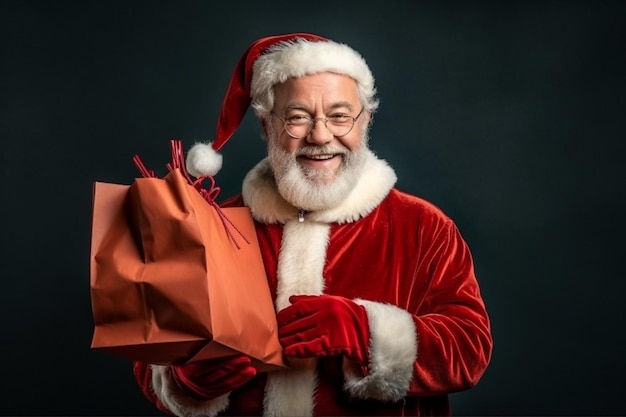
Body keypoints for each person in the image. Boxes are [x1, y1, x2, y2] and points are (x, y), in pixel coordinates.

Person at [132, 32, 493, 416]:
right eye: (297, 117)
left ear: (365, 120)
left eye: (340, 116)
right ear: (266, 125)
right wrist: (185, 380)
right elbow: (151, 357)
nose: (321, 136)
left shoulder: (424, 227)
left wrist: (365, 331)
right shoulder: (214, 227)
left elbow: (469, 349)